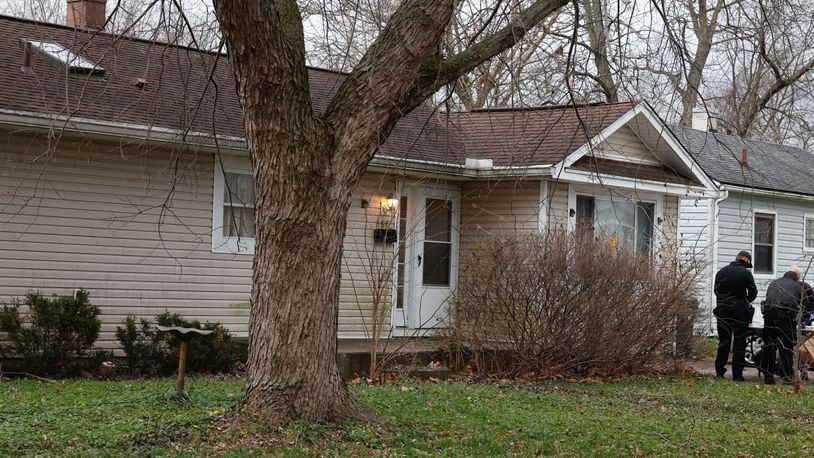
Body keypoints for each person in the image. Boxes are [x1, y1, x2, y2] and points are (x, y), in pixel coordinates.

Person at [760, 266, 814, 384]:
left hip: (769, 315)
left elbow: (767, 299)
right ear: (797, 277)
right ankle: (786, 377)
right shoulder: (798, 286)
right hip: (785, 316)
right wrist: (803, 319)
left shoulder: (774, 283)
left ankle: (768, 377)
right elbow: (808, 305)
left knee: (770, 346)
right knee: (786, 347)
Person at [713, 251, 758, 381]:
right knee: (739, 343)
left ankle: (719, 371)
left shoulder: (722, 272)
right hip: (740, 314)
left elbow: (716, 291)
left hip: (722, 312)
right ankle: (737, 375)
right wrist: (744, 301)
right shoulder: (746, 273)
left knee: (724, 342)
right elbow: (753, 292)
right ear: (747, 262)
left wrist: (724, 302)